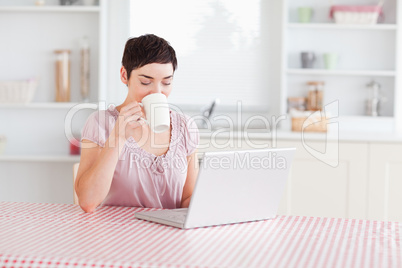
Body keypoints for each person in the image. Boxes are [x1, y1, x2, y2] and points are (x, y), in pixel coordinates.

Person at [75, 34, 199, 213]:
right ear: (125, 75)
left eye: (167, 82)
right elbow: (88, 202)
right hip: (116, 236)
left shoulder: (185, 127)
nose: (157, 92)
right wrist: (118, 137)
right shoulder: (100, 124)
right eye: (145, 82)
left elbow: (187, 200)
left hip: (169, 237)